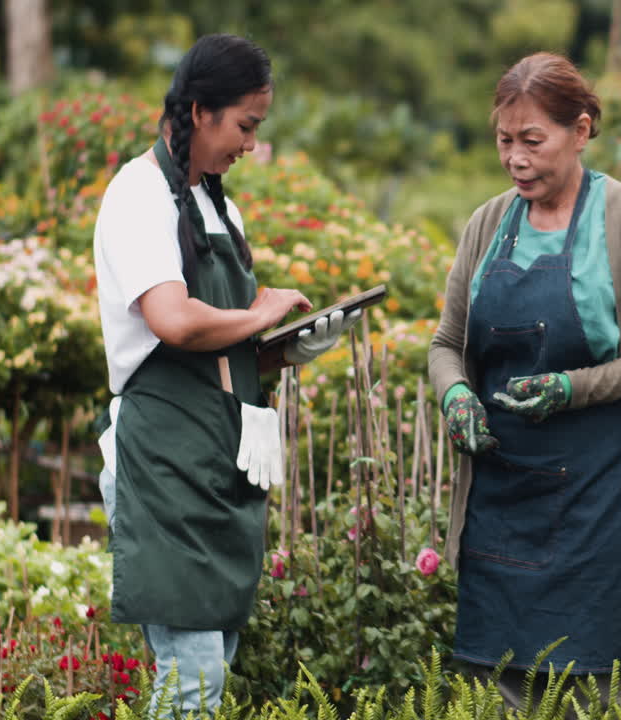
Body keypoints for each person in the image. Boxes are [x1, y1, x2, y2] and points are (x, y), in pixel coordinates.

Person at [92, 34, 356, 716]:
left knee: (208, 673)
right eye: (245, 125)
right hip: (162, 462)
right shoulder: (138, 195)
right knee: (193, 679)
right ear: (199, 111)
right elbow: (174, 321)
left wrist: (288, 349)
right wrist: (261, 310)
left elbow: (225, 353)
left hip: (218, 460)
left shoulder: (219, 208)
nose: (250, 145)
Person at [428, 52, 621, 702]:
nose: (516, 159)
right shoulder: (487, 225)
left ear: (580, 131)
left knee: (592, 691)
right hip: (500, 500)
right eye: (504, 141)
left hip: (598, 504)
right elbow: (445, 346)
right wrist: (455, 393)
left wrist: (571, 388)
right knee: (498, 690)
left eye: (532, 141)